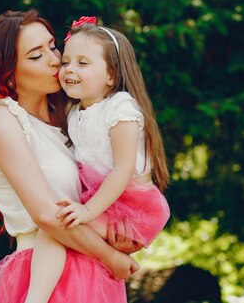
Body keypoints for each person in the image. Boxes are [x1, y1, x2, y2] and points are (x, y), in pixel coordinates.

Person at [0, 9, 141, 303]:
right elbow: (46, 214)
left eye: (52, 46)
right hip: (43, 275)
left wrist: (118, 233)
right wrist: (110, 256)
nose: (55, 60)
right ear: (7, 70)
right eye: (35, 56)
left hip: (93, 272)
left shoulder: (73, 118)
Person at [24, 16, 171, 303]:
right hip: (103, 202)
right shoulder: (73, 113)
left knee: (57, 227)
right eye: (66, 61)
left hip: (132, 207)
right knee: (59, 231)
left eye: (82, 63)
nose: (68, 69)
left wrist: (87, 211)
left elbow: (123, 170)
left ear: (112, 76)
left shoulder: (121, 109)